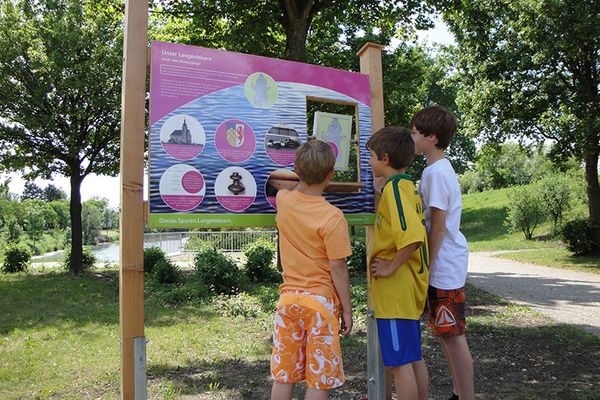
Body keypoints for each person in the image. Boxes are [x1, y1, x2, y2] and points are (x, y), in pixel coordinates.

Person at [270, 139, 353, 400]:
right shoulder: (333, 217)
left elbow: (282, 183)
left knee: (284, 375)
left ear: (295, 168)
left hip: (288, 302)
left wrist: (301, 170)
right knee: (319, 378)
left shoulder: (283, 200)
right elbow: (338, 268)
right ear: (331, 175)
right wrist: (347, 309)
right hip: (320, 305)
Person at [411, 105, 474, 400]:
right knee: (446, 335)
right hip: (444, 263)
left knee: (454, 336)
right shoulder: (435, 170)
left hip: (443, 265)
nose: (411, 136)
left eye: (414, 132)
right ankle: (458, 392)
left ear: (431, 137)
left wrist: (426, 265)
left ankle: (466, 396)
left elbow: (436, 227)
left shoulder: (436, 173)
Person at [367, 126, 430, 400]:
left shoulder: (395, 190)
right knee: (413, 358)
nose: (368, 162)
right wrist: (379, 192)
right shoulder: (403, 186)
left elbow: (413, 237)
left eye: (370, 156)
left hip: (395, 293)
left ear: (384, 158)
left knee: (399, 363)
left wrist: (390, 267)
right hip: (405, 293)